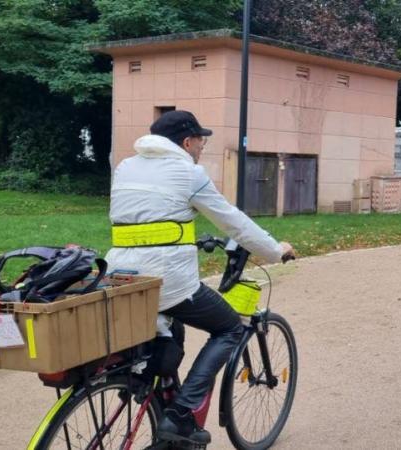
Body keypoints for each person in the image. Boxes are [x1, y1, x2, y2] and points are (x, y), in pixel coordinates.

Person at [105, 110, 295, 444]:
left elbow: (146, 216)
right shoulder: (187, 172)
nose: (202, 147)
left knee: (170, 330)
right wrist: (275, 250)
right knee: (230, 328)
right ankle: (181, 415)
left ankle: (157, 397)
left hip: (122, 275)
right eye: (200, 140)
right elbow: (233, 221)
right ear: (186, 141)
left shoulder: (125, 166)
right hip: (167, 280)